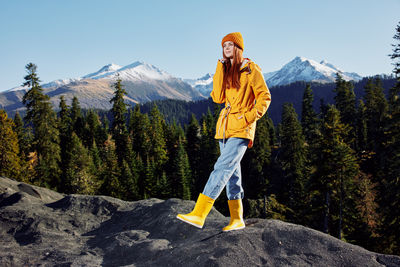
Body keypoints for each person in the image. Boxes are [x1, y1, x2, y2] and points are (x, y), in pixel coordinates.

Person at [176, 32, 271, 231]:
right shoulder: (227, 70)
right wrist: (220, 68)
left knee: (221, 168)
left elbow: (265, 98)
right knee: (233, 174)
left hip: (241, 129)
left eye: (230, 45)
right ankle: (237, 219)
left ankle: (200, 213)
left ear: (238, 48)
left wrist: (247, 118)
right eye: (224, 45)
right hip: (225, 129)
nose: (226, 48)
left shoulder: (251, 69)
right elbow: (218, 97)